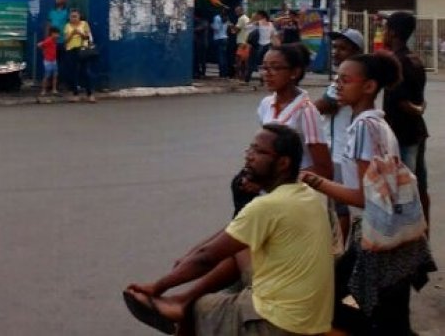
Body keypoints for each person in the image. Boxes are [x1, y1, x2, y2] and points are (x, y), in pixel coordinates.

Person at [123, 124, 334, 336]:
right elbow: (232, 232)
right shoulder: (308, 193)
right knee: (239, 246)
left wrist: (158, 286)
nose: (250, 157)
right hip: (312, 316)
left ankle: (183, 305)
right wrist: (189, 256)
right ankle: (183, 301)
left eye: (259, 152)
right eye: (250, 149)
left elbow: (207, 258)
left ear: (283, 163)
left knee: (200, 308)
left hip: (281, 322)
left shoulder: (268, 206)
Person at [302, 52, 435, 336]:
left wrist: (313, 180)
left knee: (340, 305)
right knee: (388, 316)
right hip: (386, 234)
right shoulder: (376, 123)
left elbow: (365, 197)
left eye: (346, 79)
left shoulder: (364, 127)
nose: (338, 84)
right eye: (337, 78)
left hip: (375, 236)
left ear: (369, 87)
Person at [233, 43, 332, 214]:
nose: (267, 74)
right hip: (269, 191)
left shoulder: (306, 112)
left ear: (294, 72)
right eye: (264, 67)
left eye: (276, 68)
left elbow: (324, 168)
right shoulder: (266, 104)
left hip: (294, 197)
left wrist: (272, 183)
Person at [314, 27, 363, 242]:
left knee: (339, 207)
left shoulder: (348, 79)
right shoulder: (341, 78)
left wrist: (301, 106)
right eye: (335, 47)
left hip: (340, 152)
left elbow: (324, 105)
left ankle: (339, 254)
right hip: (334, 148)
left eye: (342, 48)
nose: (336, 52)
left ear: (356, 53)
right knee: (332, 206)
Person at [382, 11, 430, 228]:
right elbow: (419, 99)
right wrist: (420, 108)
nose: (383, 33)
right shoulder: (414, 59)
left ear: (392, 32)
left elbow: (402, 102)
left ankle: (410, 241)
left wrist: (416, 109)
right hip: (417, 132)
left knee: (405, 191)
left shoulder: (397, 62)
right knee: (419, 188)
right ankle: (423, 236)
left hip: (401, 134)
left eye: (385, 29)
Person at [63, 9, 95, 102]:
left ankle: (90, 94)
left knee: (86, 72)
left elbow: (88, 37)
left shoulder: (84, 24)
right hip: (71, 50)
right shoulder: (67, 26)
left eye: (75, 16)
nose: (73, 18)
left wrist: (80, 33)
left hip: (82, 50)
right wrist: (72, 34)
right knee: (73, 73)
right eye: (72, 16)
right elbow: (65, 41)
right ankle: (75, 93)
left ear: (79, 17)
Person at [244, 10, 275, 87]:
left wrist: (252, 20)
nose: (256, 16)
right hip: (267, 46)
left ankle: (247, 80)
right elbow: (272, 35)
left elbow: (246, 27)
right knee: (263, 64)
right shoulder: (271, 24)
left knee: (251, 62)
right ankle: (262, 80)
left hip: (257, 46)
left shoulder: (258, 23)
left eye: (257, 15)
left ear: (261, 16)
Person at [47, 0, 70, 88]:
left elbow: (69, 26)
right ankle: (49, 84)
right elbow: (48, 25)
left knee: (62, 63)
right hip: (52, 41)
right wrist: (47, 38)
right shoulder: (51, 11)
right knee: (51, 63)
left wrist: (67, 40)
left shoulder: (67, 12)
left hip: (63, 41)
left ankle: (59, 84)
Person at [37, 26, 60, 97]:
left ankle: (54, 89)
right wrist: (44, 51)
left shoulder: (54, 40)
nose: (58, 35)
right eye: (56, 34)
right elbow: (39, 45)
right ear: (52, 33)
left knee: (55, 75)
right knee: (47, 76)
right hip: (48, 61)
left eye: (58, 34)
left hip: (54, 60)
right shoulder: (49, 40)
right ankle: (43, 90)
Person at [231, 6, 251, 81]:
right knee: (244, 61)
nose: (236, 13)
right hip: (246, 42)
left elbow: (236, 30)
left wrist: (232, 26)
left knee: (238, 60)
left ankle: (238, 77)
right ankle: (243, 77)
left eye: (237, 11)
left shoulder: (241, 18)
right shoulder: (247, 18)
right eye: (236, 11)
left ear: (241, 11)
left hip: (242, 42)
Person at [211, 10, 229, 78]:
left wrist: (212, 25)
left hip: (218, 38)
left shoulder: (217, 17)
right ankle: (225, 73)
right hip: (225, 38)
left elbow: (216, 28)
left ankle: (221, 73)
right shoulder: (227, 18)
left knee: (220, 56)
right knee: (224, 57)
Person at [192, 10, 208, 78]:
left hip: (202, 43)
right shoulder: (201, 22)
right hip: (199, 43)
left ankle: (202, 73)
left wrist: (191, 29)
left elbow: (199, 29)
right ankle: (198, 72)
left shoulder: (204, 22)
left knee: (202, 59)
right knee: (197, 58)